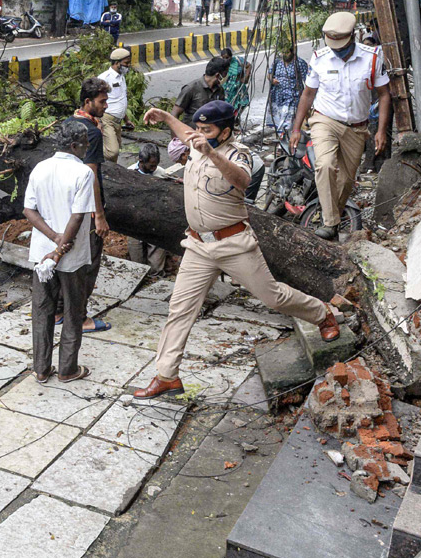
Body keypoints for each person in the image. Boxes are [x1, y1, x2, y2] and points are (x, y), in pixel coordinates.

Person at [133, 101, 339, 399]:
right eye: (199, 129)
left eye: (208, 130)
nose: (200, 134)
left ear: (225, 130)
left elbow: (241, 181)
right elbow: (187, 132)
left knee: (273, 297)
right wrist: (166, 117)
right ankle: (166, 376)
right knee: (179, 310)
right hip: (198, 246)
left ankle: (322, 315)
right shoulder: (197, 141)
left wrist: (211, 153)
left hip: (234, 244)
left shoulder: (237, 153)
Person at [289, 11, 391, 240]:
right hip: (325, 120)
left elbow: (384, 95)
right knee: (325, 165)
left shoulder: (373, 57)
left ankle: (331, 218)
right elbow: (307, 94)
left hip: (357, 128)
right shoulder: (320, 58)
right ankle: (330, 222)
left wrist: (381, 131)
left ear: (353, 36)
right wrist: (296, 129)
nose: (337, 50)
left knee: (345, 181)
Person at [23, 120, 101, 384]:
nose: (88, 147)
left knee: (42, 310)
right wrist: (61, 246)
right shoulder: (83, 173)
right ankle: (68, 369)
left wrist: (53, 240)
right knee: (72, 310)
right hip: (71, 255)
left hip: (41, 253)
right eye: (85, 143)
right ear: (74, 145)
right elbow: (77, 217)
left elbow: (29, 210)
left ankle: (41, 369)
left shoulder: (40, 168)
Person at [67, 77, 114, 333]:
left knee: (67, 260)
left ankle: (60, 312)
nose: (106, 106)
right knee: (88, 263)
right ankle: (80, 317)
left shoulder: (67, 124)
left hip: (67, 205)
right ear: (88, 102)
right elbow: (91, 175)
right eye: (102, 101)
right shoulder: (92, 132)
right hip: (86, 210)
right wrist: (99, 215)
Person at [126, 143, 167, 277]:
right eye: (151, 166)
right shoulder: (129, 173)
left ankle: (156, 276)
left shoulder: (161, 173)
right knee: (136, 263)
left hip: (155, 219)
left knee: (156, 263)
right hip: (134, 219)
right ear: (141, 161)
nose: (154, 168)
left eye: (155, 165)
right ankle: (139, 275)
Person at [98, 48, 134, 163]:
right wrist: (97, 122)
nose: (128, 66)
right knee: (112, 151)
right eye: (126, 63)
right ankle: (92, 150)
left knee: (115, 152)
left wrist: (127, 120)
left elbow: (121, 100)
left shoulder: (121, 77)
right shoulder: (104, 78)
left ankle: (110, 176)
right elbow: (96, 101)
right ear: (117, 63)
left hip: (118, 121)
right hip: (106, 119)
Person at [172, 57, 228, 126]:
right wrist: (176, 136)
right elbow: (174, 115)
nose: (226, 76)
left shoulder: (220, 90)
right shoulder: (191, 88)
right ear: (217, 75)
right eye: (225, 73)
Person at [268, 44, 308, 135]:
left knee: (287, 120)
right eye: (283, 52)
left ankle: (284, 138)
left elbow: (307, 80)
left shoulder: (299, 63)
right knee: (278, 119)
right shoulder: (277, 62)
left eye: (287, 52)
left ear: (292, 52)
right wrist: (272, 80)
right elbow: (269, 74)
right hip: (278, 95)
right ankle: (283, 138)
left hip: (293, 96)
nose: (284, 55)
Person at [220, 47, 252, 115]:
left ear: (231, 56)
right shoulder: (221, 64)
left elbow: (249, 66)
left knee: (243, 103)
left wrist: (246, 77)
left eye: (227, 57)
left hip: (239, 87)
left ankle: (237, 117)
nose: (225, 60)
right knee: (228, 105)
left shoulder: (238, 60)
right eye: (223, 58)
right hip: (227, 89)